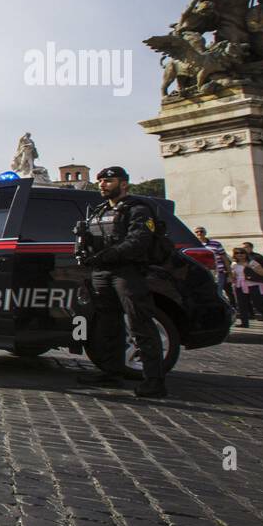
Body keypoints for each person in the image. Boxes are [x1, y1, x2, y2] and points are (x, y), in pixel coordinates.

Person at [75, 166, 167, 398]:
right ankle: (111, 372)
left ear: (123, 183)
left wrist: (109, 255)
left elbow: (139, 240)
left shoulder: (138, 209)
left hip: (128, 272)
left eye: (108, 181)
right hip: (101, 272)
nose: (102, 185)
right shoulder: (98, 211)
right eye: (100, 182)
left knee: (139, 323)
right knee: (108, 324)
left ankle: (154, 380)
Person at [232, 245, 263, 328]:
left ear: (245, 254)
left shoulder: (252, 262)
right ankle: (244, 323)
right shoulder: (234, 264)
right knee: (242, 305)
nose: (239, 255)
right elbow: (234, 275)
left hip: (253, 285)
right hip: (240, 286)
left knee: (258, 304)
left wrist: (251, 268)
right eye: (237, 253)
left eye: (242, 253)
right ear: (234, 255)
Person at [193, 226, 232, 305]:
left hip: (218, 272)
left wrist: (229, 272)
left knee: (218, 291)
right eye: (197, 232)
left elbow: (224, 258)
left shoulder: (216, 243)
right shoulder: (193, 244)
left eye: (201, 231)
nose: (199, 233)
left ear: (205, 233)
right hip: (201, 272)